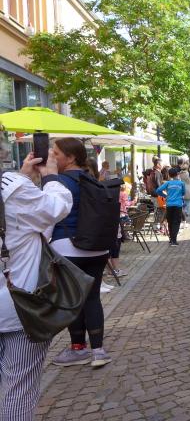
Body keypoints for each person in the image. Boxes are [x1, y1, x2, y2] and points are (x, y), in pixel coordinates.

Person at [0, 151, 71, 421]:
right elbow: (55, 209)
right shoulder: (14, 187)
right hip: (20, 305)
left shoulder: (15, 185)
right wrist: (52, 177)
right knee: (18, 388)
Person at [50, 138, 113, 368]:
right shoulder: (93, 179)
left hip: (67, 246)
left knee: (73, 300)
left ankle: (77, 348)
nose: (52, 157)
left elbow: (47, 215)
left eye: (56, 153)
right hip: (97, 247)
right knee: (92, 298)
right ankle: (98, 351)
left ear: (70, 158)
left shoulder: (57, 182)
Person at [109, 181, 137, 278]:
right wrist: (134, 201)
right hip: (119, 216)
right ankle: (114, 270)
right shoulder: (122, 194)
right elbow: (126, 204)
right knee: (115, 245)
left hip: (115, 218)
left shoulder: (110, 195)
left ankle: (113, 269)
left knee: (112, 246)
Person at [155, 168, 186, 246]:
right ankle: (174, 240)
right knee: (176, 222)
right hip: (178, 205)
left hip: (169, 205)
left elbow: (158, 190)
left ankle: (171, 239)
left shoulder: (168, 183)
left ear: (169, 175)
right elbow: (183, 193)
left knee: (170, 222)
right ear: (177, 174)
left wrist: (165, 195)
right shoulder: (181, 183)